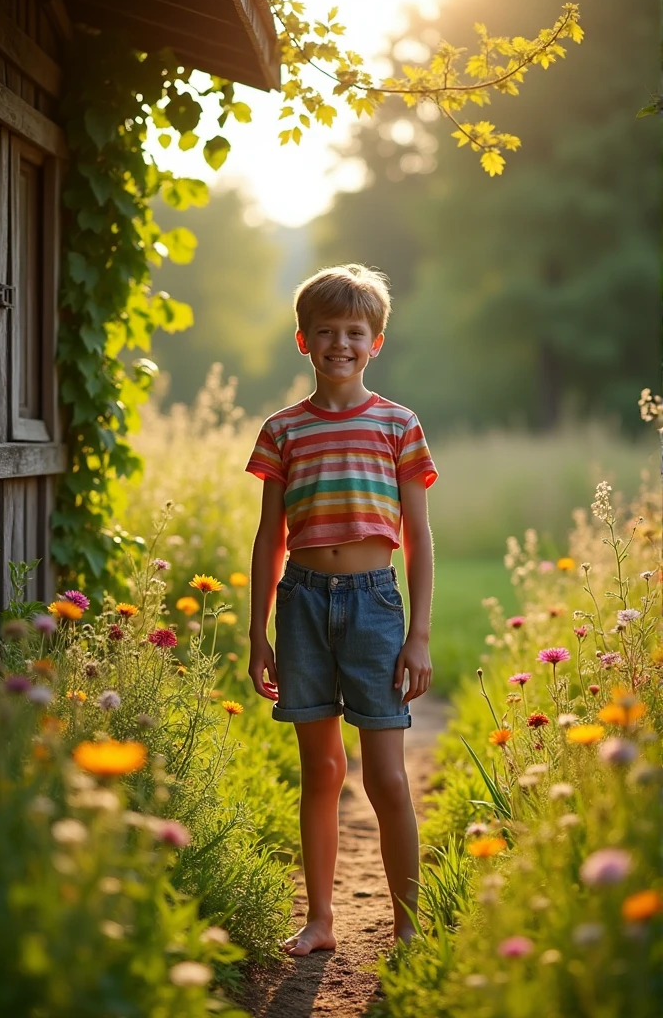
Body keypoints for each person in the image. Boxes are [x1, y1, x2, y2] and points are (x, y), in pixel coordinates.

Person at [245, 263, 438, 957]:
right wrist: (257, 630)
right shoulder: (282, 431)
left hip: (375, 607)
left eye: (354, 332)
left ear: (375, 341)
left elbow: (418, 536)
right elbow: (271, 535)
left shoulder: (399, 424)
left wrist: (417, 634)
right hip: (300, 605)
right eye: (325, 332)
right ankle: (320, 919)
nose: (340, 344)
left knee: (386, 774)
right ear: (304, 340)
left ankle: (409, 923)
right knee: (321, 770)